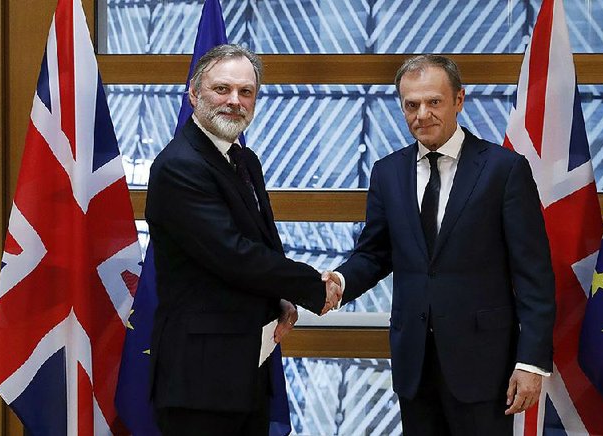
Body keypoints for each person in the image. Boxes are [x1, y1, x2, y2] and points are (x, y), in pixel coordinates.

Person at [328, 54, 556, 435]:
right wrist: (339, 281)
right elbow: (375, 253)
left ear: (459, 100)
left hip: (484, 366)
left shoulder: (504, 169)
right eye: (411, 104)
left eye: (433, 102)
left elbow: (533, 274)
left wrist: (531, 363)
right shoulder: (388, 172)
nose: (423, 114)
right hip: (415, 365)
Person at [146, 44, 341, 435]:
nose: (235, 101)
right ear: (194, 94)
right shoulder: (178, 166)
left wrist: (281, 298)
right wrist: (311, 288)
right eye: (222, 89)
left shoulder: (243, 159)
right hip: (199, 381)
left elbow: (262, 244)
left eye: (246, 92)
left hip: (246, 363)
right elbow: (232, 254)